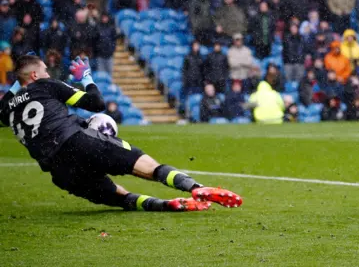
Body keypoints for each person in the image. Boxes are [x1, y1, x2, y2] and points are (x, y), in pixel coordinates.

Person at [0, 55, 242, 212]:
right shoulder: (46, 85)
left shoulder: (7, 108)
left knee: (120, 199)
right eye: (44, 70)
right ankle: (194, 187)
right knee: (148, 167)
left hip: (59, 171)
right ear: (34, 76)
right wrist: (87, 78)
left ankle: (165, 206)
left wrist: (16, 85)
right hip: (77, 142)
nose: (48, 74)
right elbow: (96, 103)